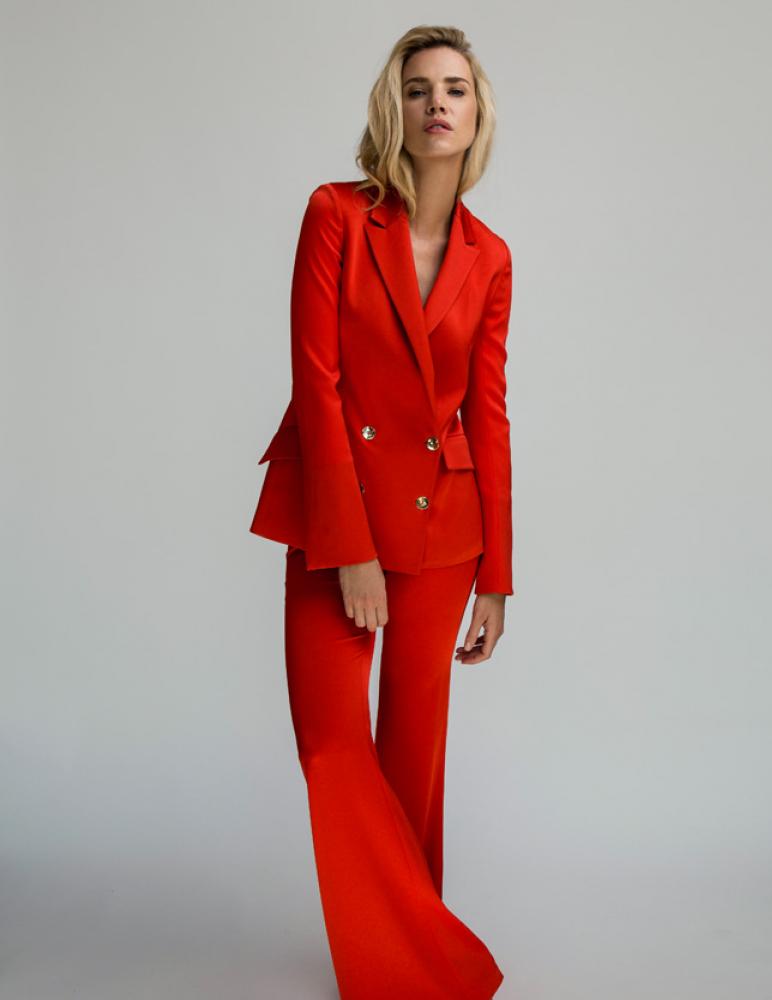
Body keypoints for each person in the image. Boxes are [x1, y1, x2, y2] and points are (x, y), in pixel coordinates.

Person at [250, 24, 513, 999]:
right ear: (392, 109)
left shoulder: (491, 258)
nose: (437, 102)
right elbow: (315, 383)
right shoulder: (335, 214)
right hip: (335, 512)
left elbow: (488, 414)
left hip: (445, 527)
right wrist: (348, 546)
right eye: (417, 88)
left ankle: (400, 970)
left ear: (476, 114)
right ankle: (419, 956)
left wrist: (498, 577)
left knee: (412, 756)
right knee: (330, 743)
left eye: (455, 88)